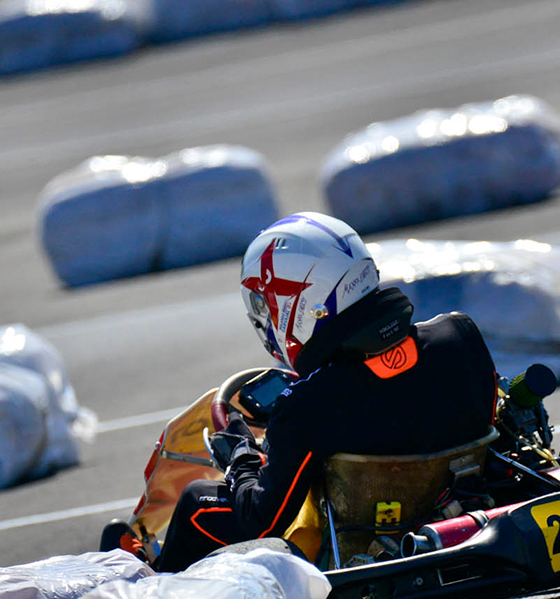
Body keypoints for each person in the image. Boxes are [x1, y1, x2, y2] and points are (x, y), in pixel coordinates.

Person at [153, 212, 498, 572]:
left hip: (363, 551)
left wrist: (241, 457)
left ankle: (160, 593)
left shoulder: (307, 405)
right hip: (467, 511)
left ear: (300, 301)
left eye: (266, 303)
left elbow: (262, 522)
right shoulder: (458, 337)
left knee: (196, 499)